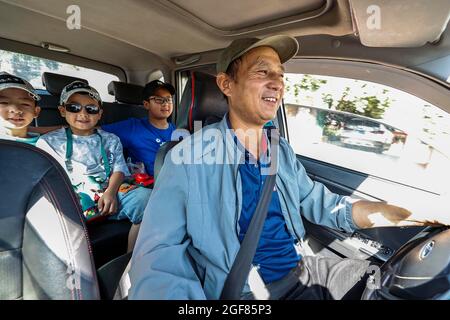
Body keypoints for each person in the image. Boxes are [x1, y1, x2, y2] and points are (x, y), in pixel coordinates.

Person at [128, 35, 449, 300]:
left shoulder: (278, 148)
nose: (277, 83)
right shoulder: (187, 156)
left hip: (301, 271)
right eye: (262, 72)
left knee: (391, 285)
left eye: (280, 74)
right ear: (226, 84)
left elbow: (326, 206)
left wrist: (414, 212)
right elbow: (158, 256)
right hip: (246, 292)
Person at [36, 81, 151, 251]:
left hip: (110, 192)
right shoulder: (49, 142)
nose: (83, 113)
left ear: (99, 114)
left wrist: (111, 192)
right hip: (73, 198)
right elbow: (48, 180)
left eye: (91, 109)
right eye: (74, 107)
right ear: (62, 110)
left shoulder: (110, 139)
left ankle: (131, 259)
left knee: (147, 199)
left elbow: (119, 169)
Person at [101, 80, 176, 177]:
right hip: (150, 187)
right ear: (146, 104)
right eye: (159, 99)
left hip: (178, 181)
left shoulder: (177, 130)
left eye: (168, 99)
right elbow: (95, 134)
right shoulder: (133, 127)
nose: (165, 103)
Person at [0, 72, 41, 145]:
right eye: (4, 102)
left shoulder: (47, 145)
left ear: (36, 111)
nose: (16, 110)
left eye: (25, 104)